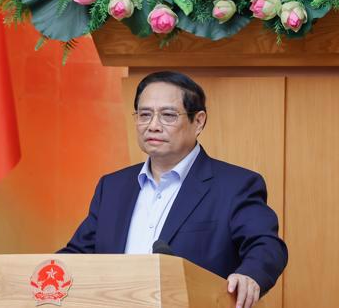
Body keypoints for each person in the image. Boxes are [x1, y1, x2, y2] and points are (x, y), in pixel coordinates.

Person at [58, 71, 288, 308]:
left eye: (167, 115)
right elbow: (77, 254)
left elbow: (266, 244)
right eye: (144, 115)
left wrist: (250, 275)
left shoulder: (235, 185)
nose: (153, 126)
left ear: (198, 122)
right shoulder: (112, 187)